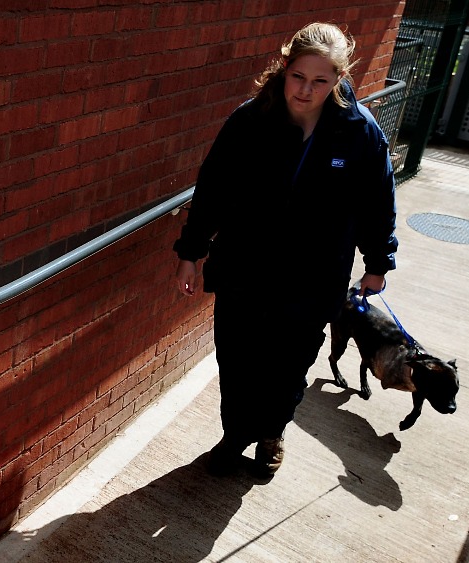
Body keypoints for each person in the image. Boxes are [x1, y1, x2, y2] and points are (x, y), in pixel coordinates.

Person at [172, 22, 398, 477]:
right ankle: (235, 436)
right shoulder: (250, 120)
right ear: (284, 67)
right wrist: (191, 253)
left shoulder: (359, 133)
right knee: (237, 360)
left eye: (320, 81)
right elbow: (213, 190)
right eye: (298, 77)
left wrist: (378, 262)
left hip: (314, 278)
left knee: (288, 365)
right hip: (244, 269)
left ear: (339, 78)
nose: (306, 90)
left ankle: (271, 434)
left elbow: (377, 202)